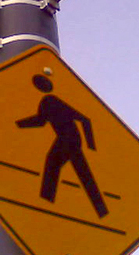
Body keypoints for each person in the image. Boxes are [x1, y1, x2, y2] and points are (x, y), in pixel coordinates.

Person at [16, 74, 108, 218]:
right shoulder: (46, 102)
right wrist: (18, 124)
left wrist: (92, 146)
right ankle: (102, 211)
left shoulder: (51, 100)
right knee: (80, 172)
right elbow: (40, 121)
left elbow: (85, 120)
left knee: (55, 165)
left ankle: (46, 203)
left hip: (69, 138)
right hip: (68, 139)